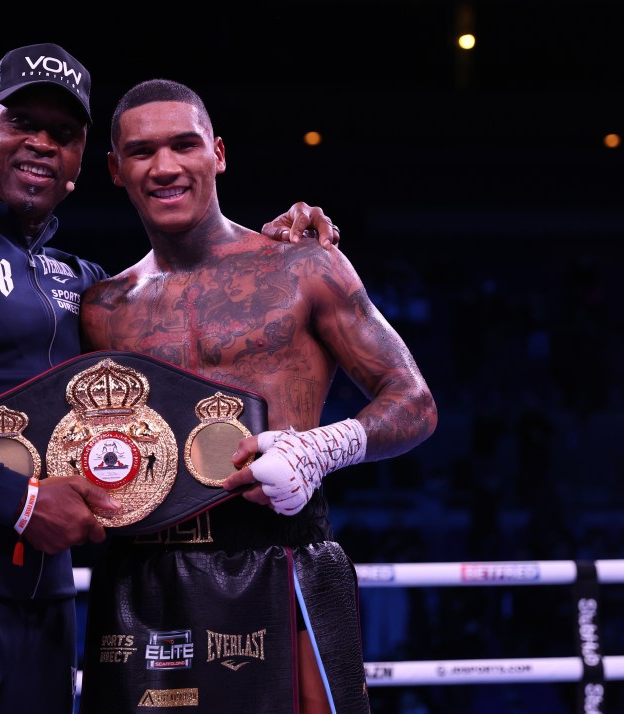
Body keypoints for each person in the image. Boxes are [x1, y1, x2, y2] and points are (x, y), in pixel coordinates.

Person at [0, 44, 342, 714]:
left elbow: (187, 319)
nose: (41, 144)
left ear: (80, 165)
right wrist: (21, 502)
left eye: (61, 134)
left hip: (45, 597)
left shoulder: (85, 284)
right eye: (21, 124)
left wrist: (269, 250)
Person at [77, 79, 438, 713]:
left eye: (184, 145)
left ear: (217, 153)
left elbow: (413, 401)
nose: (165, 167)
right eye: (141, 152)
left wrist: (321, 449)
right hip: (140, 580)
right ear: (114, 169)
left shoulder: (302, 267)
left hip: (281, 561)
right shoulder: (101, 308)